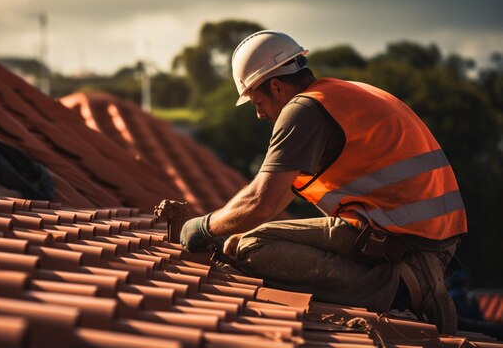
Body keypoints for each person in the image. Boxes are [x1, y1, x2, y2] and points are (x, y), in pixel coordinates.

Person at [180, 30, 467, 335]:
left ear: (277, 87)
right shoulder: (338, 95)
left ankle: (399, 290)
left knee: (249, 246)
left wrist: (204, 227)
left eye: (257, 101)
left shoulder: (304, 111)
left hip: (409, 243)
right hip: (421, 234)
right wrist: (222, 226)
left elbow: (260, 203)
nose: (260, 114)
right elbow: (272, 199)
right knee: (240, 239)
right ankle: (403, 280)